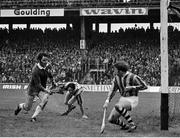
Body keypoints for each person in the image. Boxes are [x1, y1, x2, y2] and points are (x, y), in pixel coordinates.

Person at [103, 61, 148, 132]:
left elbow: (145, 86)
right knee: (111, 119)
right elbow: (112, 90)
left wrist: (133, 87)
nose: (114, 71)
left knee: (118, 106)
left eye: (115, 69)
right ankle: (125, 126)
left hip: (133, 100)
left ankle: (132, 125)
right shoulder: (116, 78)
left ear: (120, 71)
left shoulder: (133, 77)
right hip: (123, 100)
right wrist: (107, 101)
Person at [14, 52, 56, 122]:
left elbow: (50, 74)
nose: (46, 62)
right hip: (33, 89)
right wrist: (47, 91)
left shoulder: (48, 66)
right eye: (44, 60)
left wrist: (53, 82)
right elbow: (38, 85)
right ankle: (20, 106)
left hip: (41, 89)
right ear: (39, 60)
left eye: (47, 60)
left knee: (45, 100)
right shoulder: (35, 70)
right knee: (27, 108)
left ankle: (33, 117)